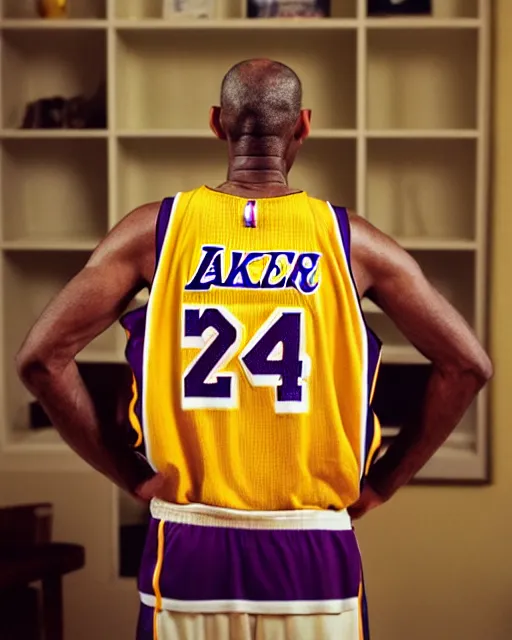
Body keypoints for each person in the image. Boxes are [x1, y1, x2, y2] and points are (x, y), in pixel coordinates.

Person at [16, 59, 492, 640]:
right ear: (305, 126)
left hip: (188, 544)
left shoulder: (154, 233)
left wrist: (130, 474)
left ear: (217, 124)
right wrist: (382, 483)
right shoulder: (355, 244)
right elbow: (467, 365)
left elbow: (42, 358)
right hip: (314, 547)